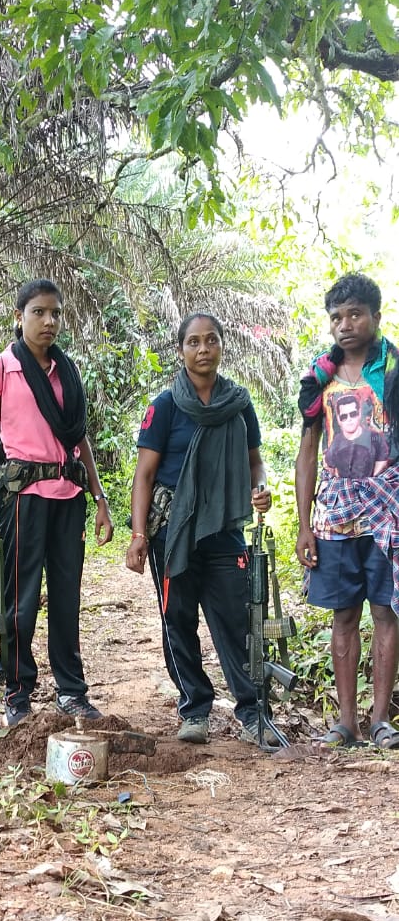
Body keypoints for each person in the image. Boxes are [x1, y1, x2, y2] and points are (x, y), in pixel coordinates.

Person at [0, 279, 114, 727]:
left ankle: (71, 691)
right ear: (19, 317)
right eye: (38, 312)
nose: (48, 321)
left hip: (69, 496)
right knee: (21, 599)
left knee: (67, 598)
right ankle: (18, 691)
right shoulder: (0, 369)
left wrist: (99, 496)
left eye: (54, 313)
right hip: (22, 499)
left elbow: (78, 436)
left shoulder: (67, 371)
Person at [125, 310, 275, 745]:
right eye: (194, 342)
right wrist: (138, 536)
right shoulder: (166, 406)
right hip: (172, 533)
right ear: (181, 349)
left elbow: (254, 461)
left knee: (235, 621)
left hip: (225, 530)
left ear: (222, 346)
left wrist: (259, 488)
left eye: (211, 340)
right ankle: (194, 709)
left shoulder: (239, 403)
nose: (203, 349)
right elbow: (144, 476)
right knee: (179, 620)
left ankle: (252, 714)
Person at [295, 271, 399, 749]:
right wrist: (303, 526)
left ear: (375, 316)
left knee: (385, 611)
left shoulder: (393, 371)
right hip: (335, 514)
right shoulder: (320, 378)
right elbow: (308, 451)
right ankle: (346, 722)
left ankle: (380, 720)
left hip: (388, 510)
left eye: (355, 313)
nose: (345, 324)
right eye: (336, 317)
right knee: (342, 614)